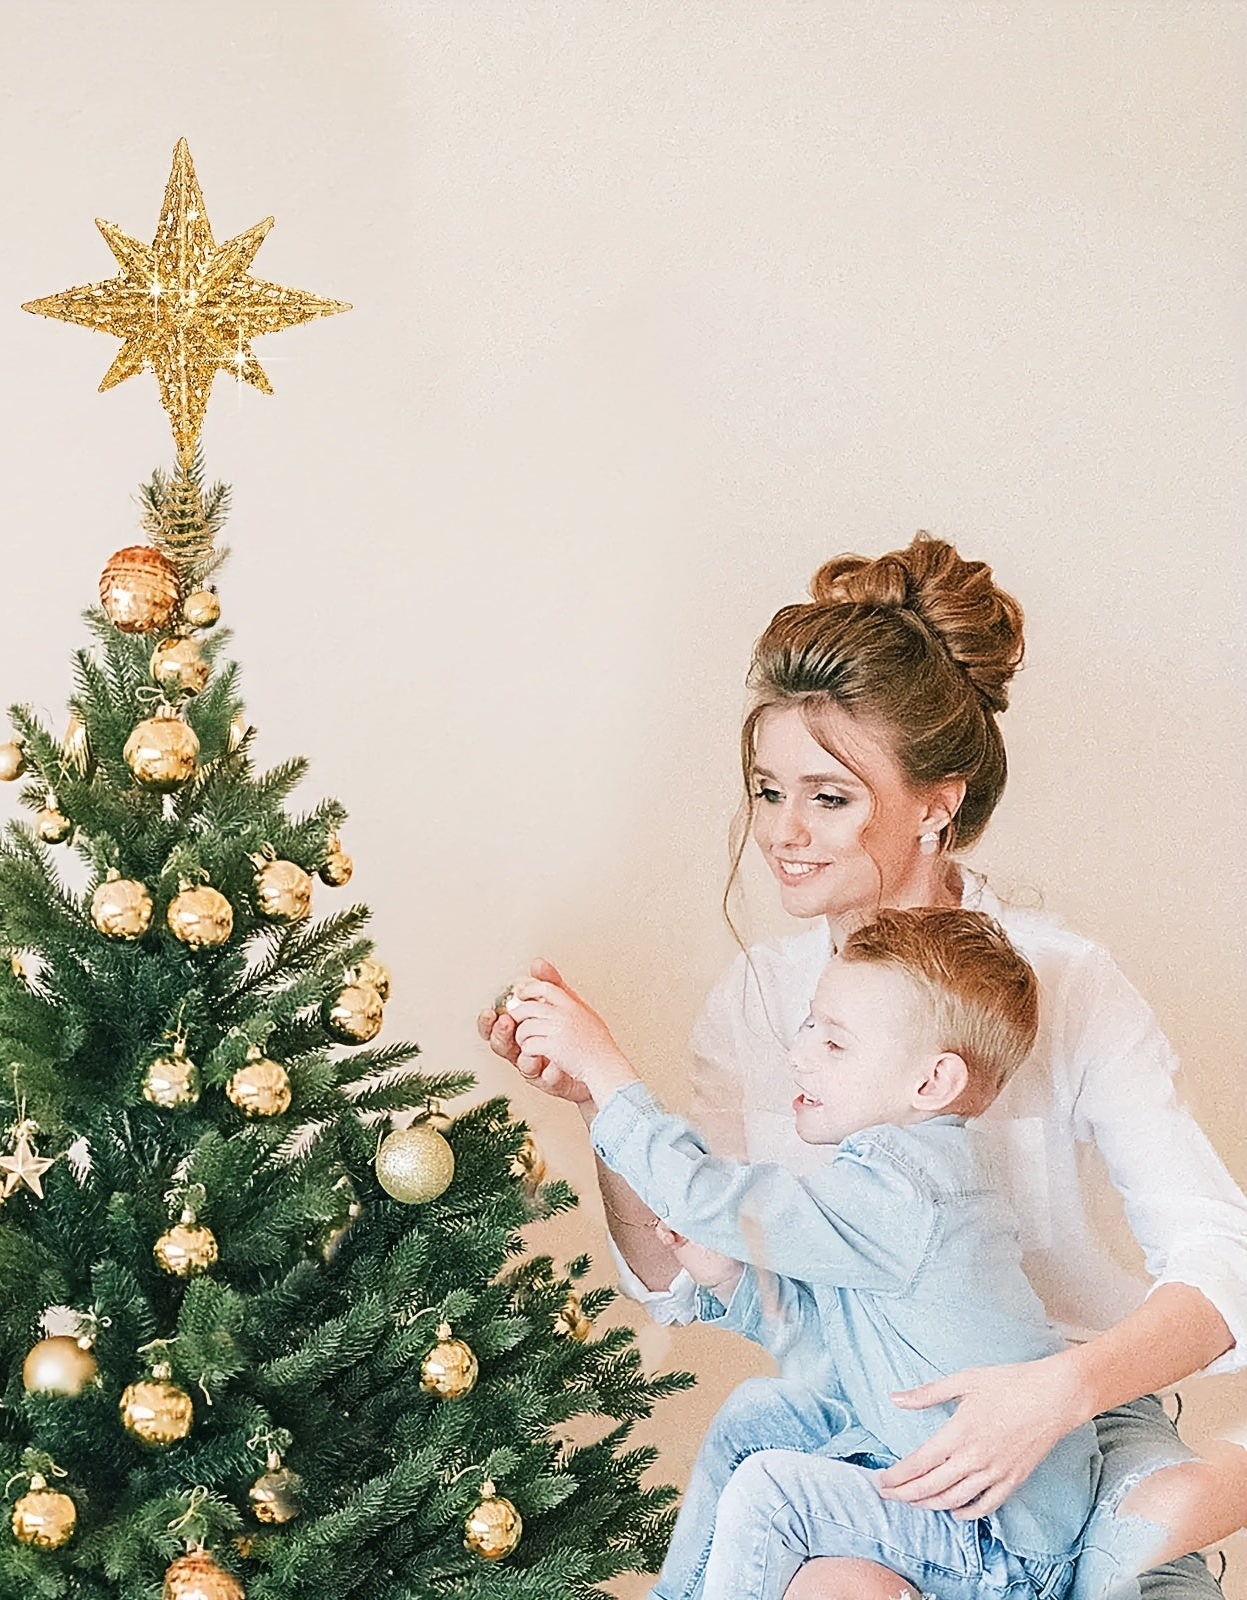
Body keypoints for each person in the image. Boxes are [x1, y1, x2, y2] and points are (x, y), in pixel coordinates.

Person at [480, 534, 1247, 1600]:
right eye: (765, 790)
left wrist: (1052, 1393)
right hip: (875, 1412)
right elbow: (687, 1274)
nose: (782, 835)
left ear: (937, 801)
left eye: (827, 797)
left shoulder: (1065, 982)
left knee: (1142, 1547)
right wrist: (589, 1104)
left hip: (1078, 1422)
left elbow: (1221, 1257)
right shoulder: (756, 999)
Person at [507, 904, 1097, 1599]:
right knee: (760, 1411)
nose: (800, 1051)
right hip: (925, 1470)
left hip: (998, 1541)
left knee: (774, 1490)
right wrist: (730, 1280)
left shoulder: (909, 1190)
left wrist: (604, 1070)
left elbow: (709, 1196)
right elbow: (835, 1347)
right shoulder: (891, 1182)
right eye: (810, 1023)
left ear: (931, 1084)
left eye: (836, 1044)